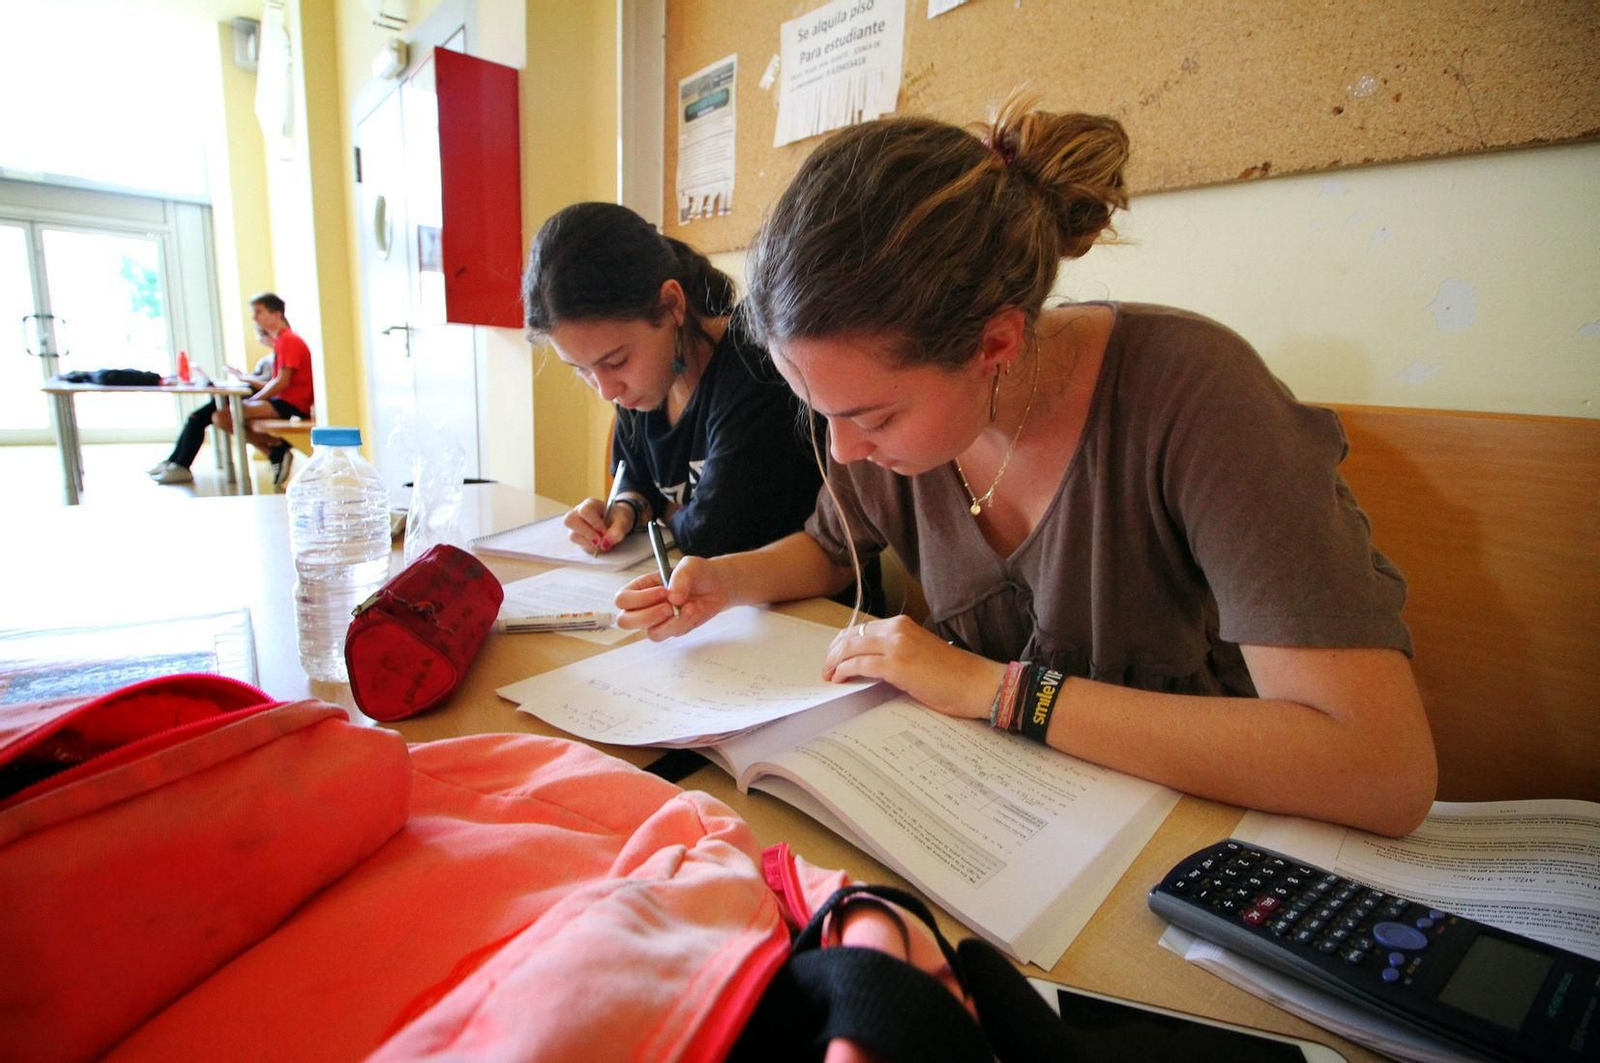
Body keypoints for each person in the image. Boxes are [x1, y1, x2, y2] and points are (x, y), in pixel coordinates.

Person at [615, 98, 1437, 838]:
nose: (842, 451)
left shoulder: (1196, 396)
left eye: (870, 417)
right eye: (814, 408)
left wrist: (995, 690)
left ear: (996, 344)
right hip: (1006, 821)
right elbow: (833, 548)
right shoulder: (873, 409)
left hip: (1199, 843)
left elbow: (1381, 766)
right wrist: (724, 580)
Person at [525, 202, 879, 609]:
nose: (605, 390)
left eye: (616, 361)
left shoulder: (756, 365)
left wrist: (663, 511)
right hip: (720, 609)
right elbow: (635, 477)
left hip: (814, 617)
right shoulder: (644, 384)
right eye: (582, 370)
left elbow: (714, 535)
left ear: (673, 305)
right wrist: (625, 510)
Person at [208, 292, 314, 487]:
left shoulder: (288, 340)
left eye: (259, 312)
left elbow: (282, 382)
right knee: (225, 416)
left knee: (223, 416)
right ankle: (275, 450)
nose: (255, 318)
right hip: (282, 401)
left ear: (277, 314)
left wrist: (254, 399)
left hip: (292, 404)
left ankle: (277, 450)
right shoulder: (282, 341)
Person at [147, 330, 274, 485]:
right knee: (196, 417)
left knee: (198, 418)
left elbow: (272, 386)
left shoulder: (278, 357)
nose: (260, 339)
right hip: (246, 392)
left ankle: (181, 465)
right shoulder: (269, 358)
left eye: (261, 335)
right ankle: (174, 462)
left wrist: (245, 378)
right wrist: (243, 377)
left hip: (253, 396)